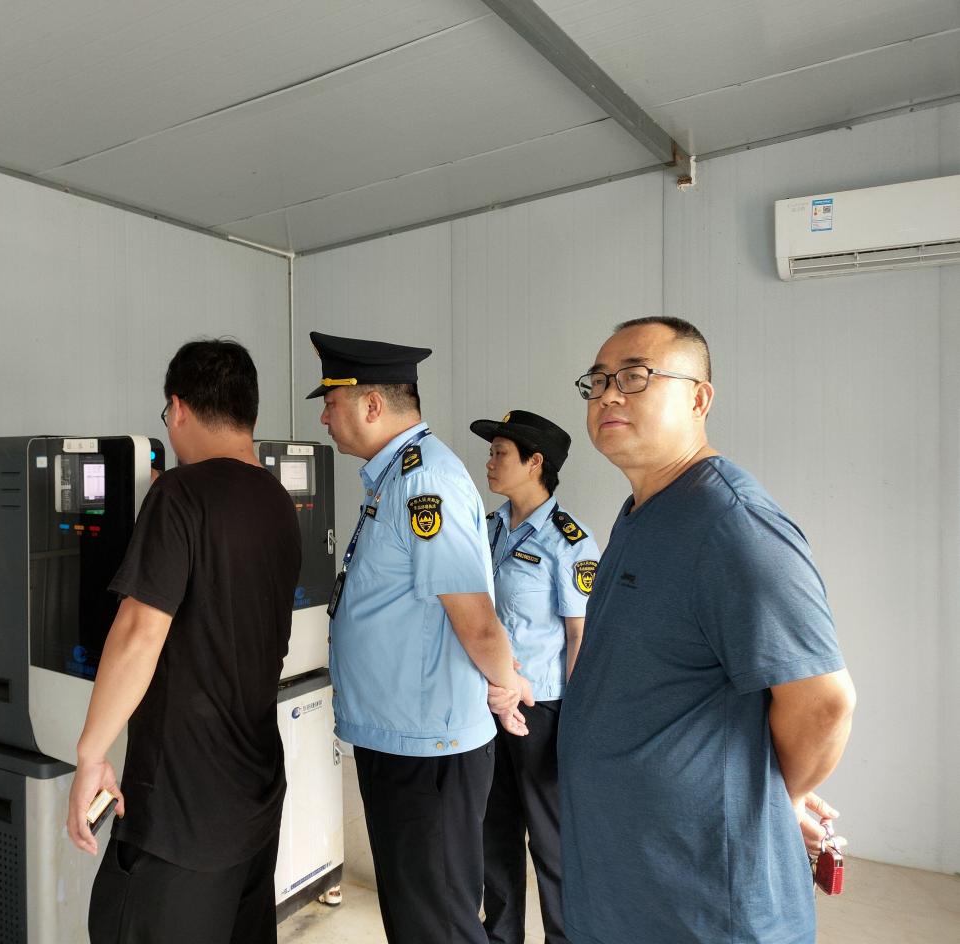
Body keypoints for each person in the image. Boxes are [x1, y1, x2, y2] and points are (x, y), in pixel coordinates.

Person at [555, 316, 856, 943]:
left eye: (635, 377)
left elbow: (823, 703)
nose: (608, 395)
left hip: (703, 903)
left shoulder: (734, 525)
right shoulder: (643, 512)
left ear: (699, 398)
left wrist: (769, 797)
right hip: (630, 882)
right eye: (598, 381)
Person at [67, 339, 301, 944]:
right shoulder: (278, 502)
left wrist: (92, 753)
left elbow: (140, 632)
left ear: (177, 409)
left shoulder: (179, 494)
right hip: (255, 791)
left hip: (182, 806)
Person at [309, 331, 533, 944]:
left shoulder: (425, 480)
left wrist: (506, 684)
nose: (325, 417)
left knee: (437, 922)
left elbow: (475, 617)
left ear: (371, 405)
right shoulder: (396, 476)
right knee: (417, 915)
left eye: (331, 402)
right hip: (402, 736)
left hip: (426, 747)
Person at [471, 410, 598, 944]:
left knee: (551, 843)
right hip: (489, 704)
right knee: (493, 832)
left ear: (535, 463)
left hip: (543, 713)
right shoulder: (488, 528)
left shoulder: (570, 543)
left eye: (500, 453)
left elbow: (580, 639)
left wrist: (577, 727)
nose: (489, 462)